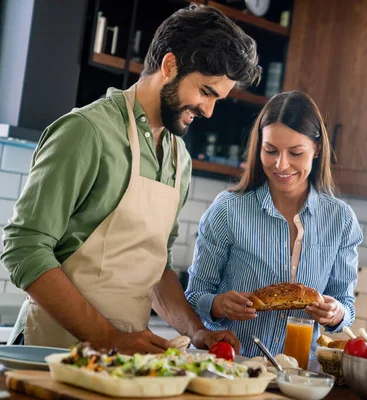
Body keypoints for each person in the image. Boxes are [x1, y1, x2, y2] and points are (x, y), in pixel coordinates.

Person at [1, 4, 261, 354]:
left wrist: (196, 331)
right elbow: (24, 248)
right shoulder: (87, 132)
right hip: (52, 352)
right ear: (170, 66)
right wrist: (107, 337)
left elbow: (157, 268)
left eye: (218, 100)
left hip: (126, 360)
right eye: (205, 92)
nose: (208, 110)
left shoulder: (178, 159)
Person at [185, 91, 363, 357]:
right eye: (270, 151)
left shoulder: (341, 220)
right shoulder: (228, 209)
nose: (281, 164)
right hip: (232, 366)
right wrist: (220, 304)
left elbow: (346, 304)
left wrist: (337, 313)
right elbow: (194, 296)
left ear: (316, 150)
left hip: (297, 375)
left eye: (295, 152)